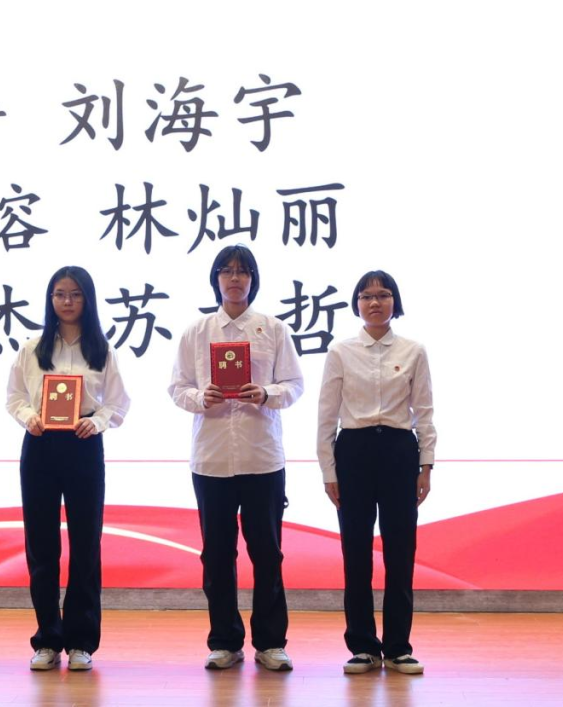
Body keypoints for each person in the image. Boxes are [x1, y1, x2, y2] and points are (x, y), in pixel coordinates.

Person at [168, 244, 303, 672]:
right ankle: (225, 641)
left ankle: (271, 642)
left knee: (268, 554)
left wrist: (266, 393)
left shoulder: (273, 329)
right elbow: (177, 387)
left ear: (253, 280)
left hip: (262, 458)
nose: (234, 278)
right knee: (216, 555)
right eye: (226, 271)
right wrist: (199, 398)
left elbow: (294, 385)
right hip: (211, 460)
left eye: (243, 271)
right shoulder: (197, 332)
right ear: (216, 279)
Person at [6, 266, 130, 672]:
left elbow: (118, 403)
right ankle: (47, 639)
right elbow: (14, 397)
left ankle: (81, 641)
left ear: (87, 300)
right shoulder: (32, 348)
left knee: (86, 544)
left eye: (75, 294)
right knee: (41, 546)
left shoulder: (101, 350)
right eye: (60, 294)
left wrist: (99, 421)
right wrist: (28, 417)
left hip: (83, 445)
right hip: (41, 445)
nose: (67, 301)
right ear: (50, 299)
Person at [316, 270, 436, 676]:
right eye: (366, 296)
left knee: (401, 551)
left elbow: (424, 412)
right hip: (354, 452)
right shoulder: (340, 351)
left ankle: (399, 647)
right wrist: (328, 470)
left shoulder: (414, 350)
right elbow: (326, 416)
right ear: (357, 304)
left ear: (394, 302)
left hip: (399, 452)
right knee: (355, 552)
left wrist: (426, 465)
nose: (375, 302)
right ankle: (364, 646)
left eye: (383, 295)